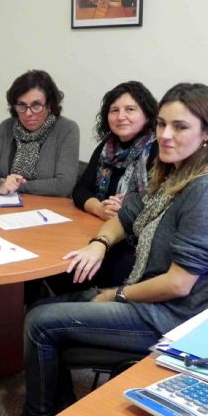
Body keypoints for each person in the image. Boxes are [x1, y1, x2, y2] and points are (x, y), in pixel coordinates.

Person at [0, 83, 208, 416]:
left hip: (171, 318)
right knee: (43, 307)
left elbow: (179, 283)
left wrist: (117, 295)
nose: (165, 135)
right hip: (147, 299)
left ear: (207, 132)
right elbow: (125, 216)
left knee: (40, 322)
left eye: (180, 127)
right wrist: (99, 243)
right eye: (162, 124)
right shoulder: (177, 176)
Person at [70, 81, 158, 288]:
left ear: (147, 115)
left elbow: (158, 201)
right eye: (114, 110)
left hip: (135, 242)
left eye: (130, 109)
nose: (120, 116)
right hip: (99, 229)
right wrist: (98, 208)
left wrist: (126, 208)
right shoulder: (106, 147)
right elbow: (80, 189)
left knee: (79, 269)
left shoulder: (159, 150)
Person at [0, 70, 80, 197]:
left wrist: (16, 186)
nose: (28, 113)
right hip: (5, 206)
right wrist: (0, 185)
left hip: (48, 207)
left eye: (36, 105)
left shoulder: (67, 129)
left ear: (49, 105)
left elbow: (64, 185)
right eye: (22, 106)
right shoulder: (5, 128)